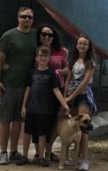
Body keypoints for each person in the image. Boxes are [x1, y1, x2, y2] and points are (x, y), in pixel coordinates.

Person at [0, 7, 37, 165]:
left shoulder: (34, 35)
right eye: (24, 16)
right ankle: (3, 152)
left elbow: (45, 49)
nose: (27, 19)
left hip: (25, 87)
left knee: (18, 120)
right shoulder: (9, 36)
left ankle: (13, 151)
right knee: (5, 120)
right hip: (8, 85)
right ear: (18, 18)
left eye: (30, 17)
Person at [18, 45, 70, 167]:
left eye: (45, 56)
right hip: (31, 108)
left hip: (44, 110)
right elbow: (28, 89)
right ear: (36, 58)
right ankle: (25, 156)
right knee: (27, 133)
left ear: (48, 58)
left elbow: (56, 90)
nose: (43, 58)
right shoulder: (31, 72)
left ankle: (41, 157)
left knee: (42, 134)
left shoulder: (52, 74)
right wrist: (23, 106)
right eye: (40, 55)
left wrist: (64, 104)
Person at [32, 24, 70, 163]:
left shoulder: (60, 51)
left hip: (55, 90)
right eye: (44, 34)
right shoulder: (35, 51)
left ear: (54, 37)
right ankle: (38, 153)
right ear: (39, 35)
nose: (47, 37)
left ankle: (48, 151)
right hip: (40, 91)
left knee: (52, 121)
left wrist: (59, 72)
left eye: (50, 35)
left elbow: (67, 68)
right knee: (38, 121)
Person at [65, 35, 98, 171]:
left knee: (84, 127)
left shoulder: (90, 62)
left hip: (83, 95)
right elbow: (68, 79)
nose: (82, 46)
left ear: (88, 46)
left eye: (85, 44)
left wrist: (71, 96)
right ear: (76, 45)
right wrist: (65, 96)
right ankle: (72, 156)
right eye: (80, 43)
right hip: (71, 94)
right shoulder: (72, 60)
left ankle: (85, 160)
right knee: (74, 126)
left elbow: (84, 83)